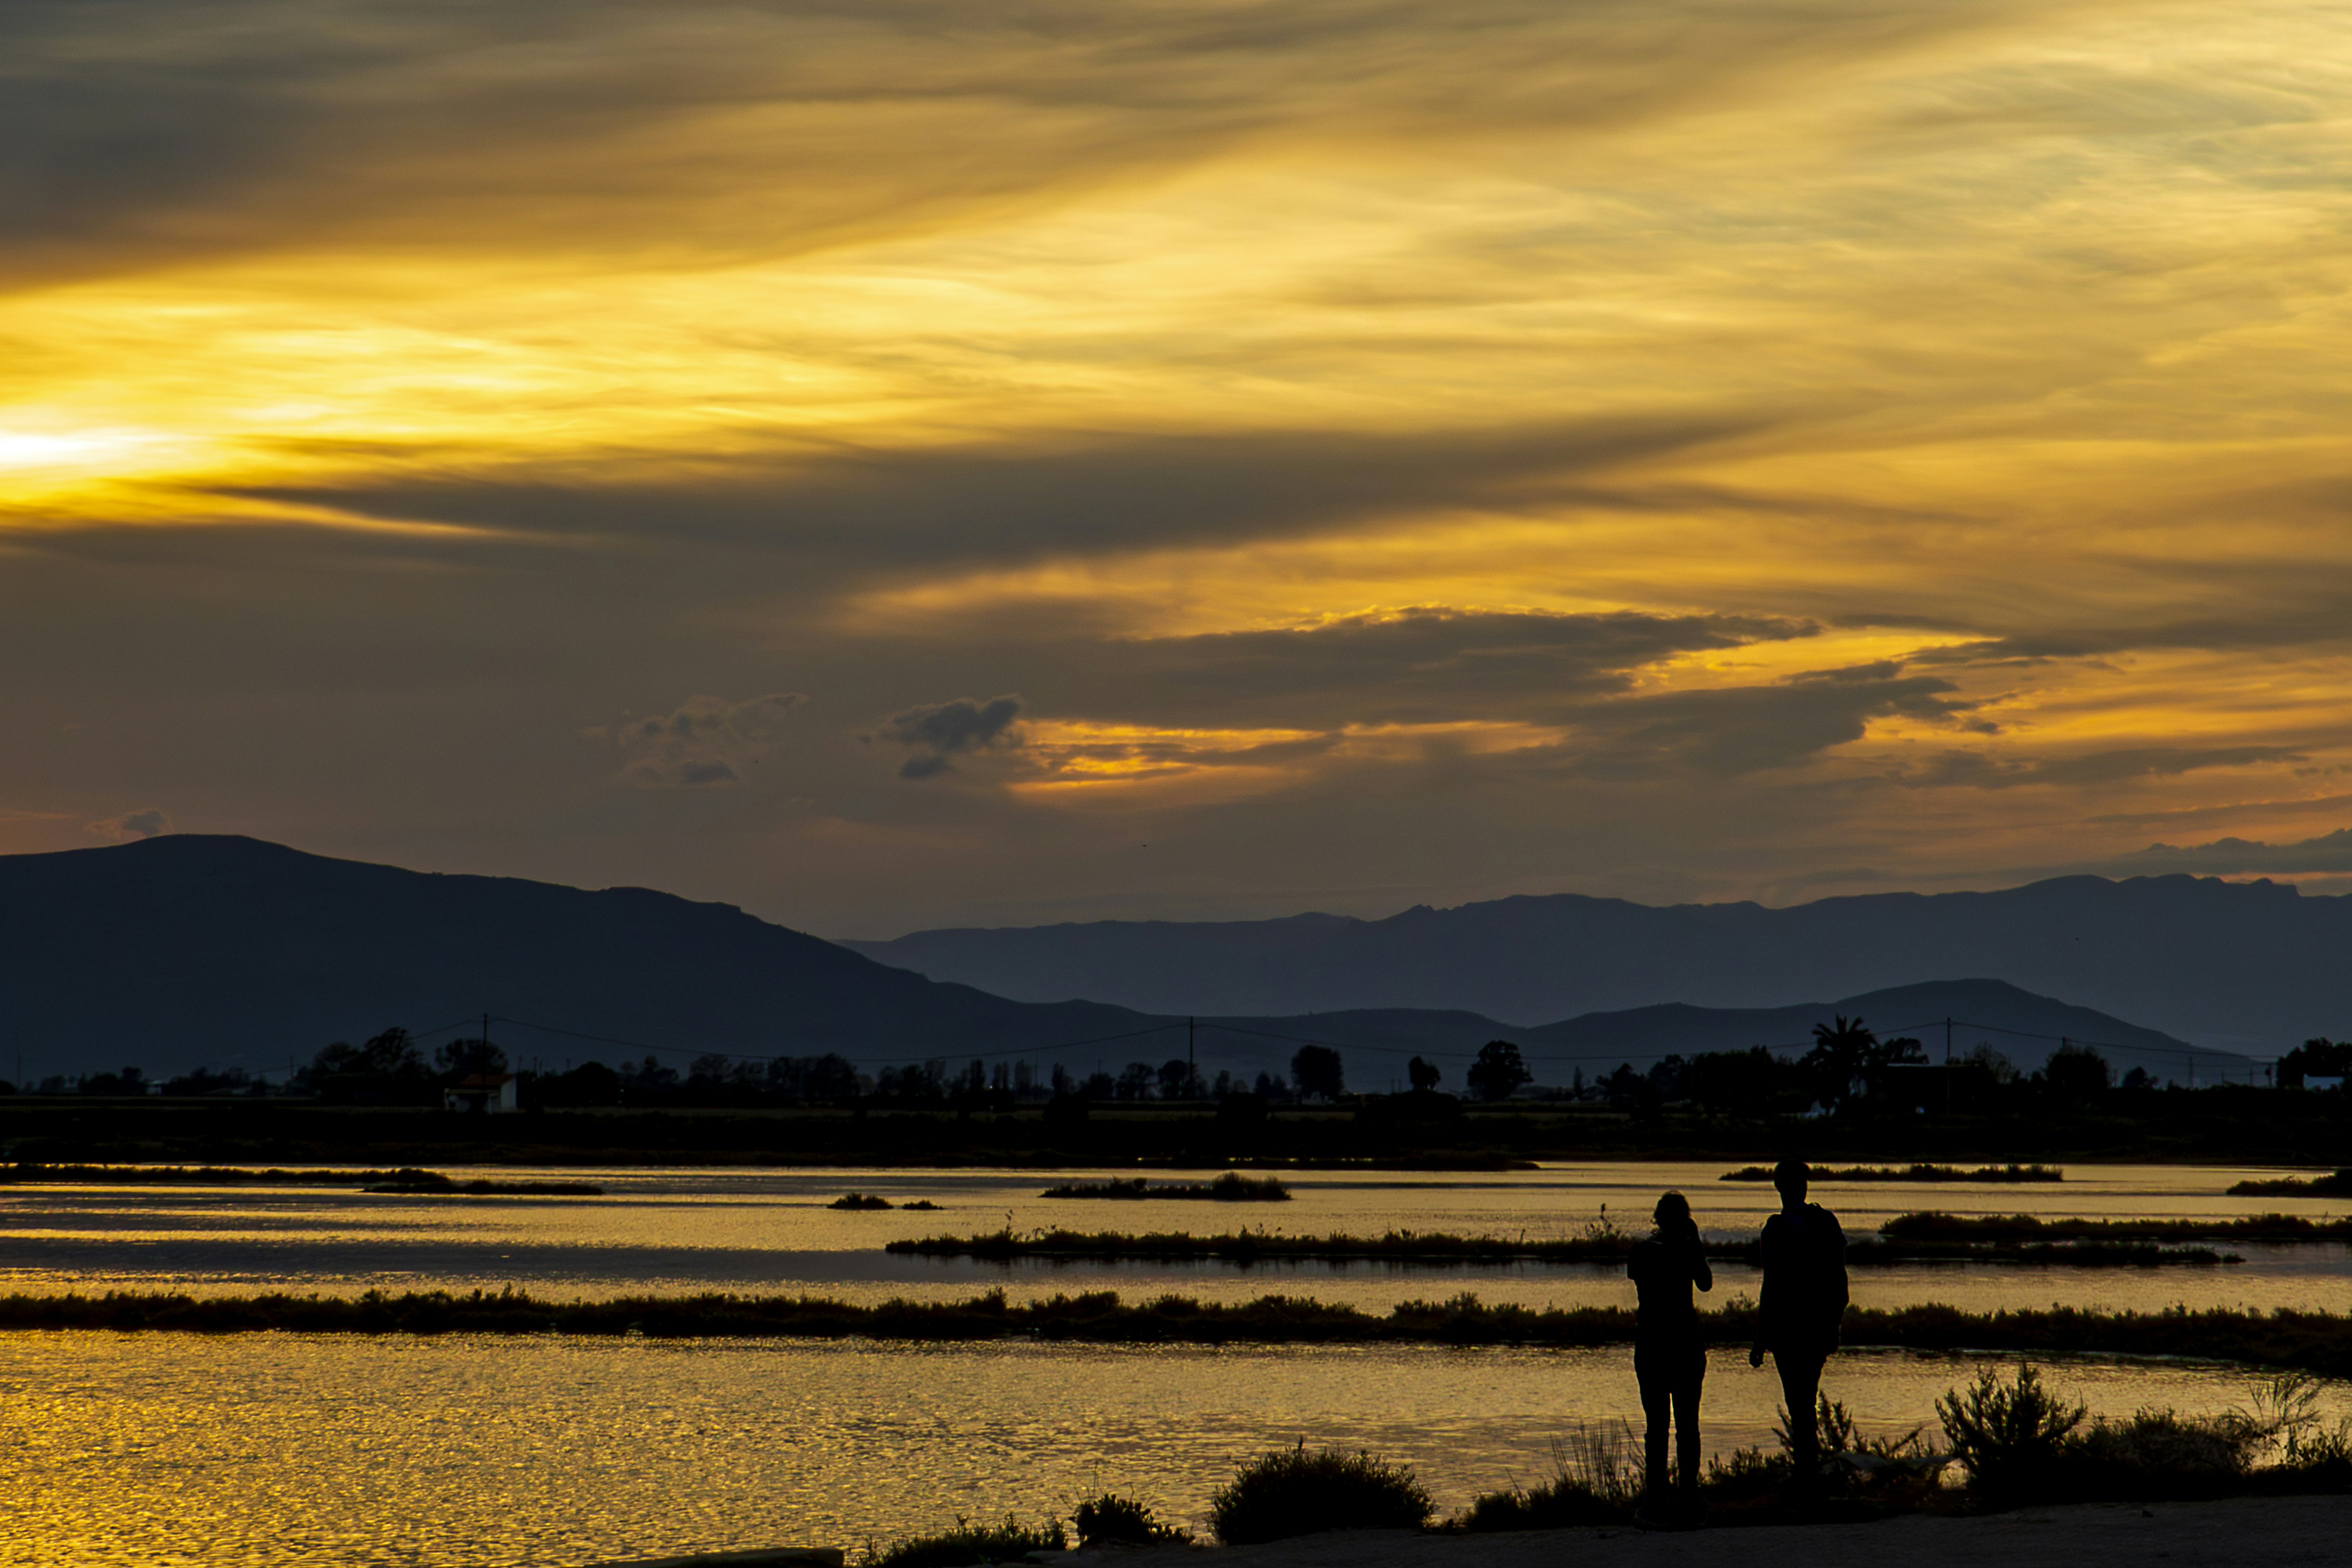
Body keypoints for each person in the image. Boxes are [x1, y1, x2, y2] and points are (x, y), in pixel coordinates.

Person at [1749, 1158, 1848, 1494]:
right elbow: (1840, 1282)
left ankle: (1806, 1474)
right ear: (1805, 1186)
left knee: (1799, 1401)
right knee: (1806, 1399)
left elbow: (1771, 1287)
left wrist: (1761, 1338)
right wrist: (1833, 1324)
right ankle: (1810, 1471)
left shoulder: (1775, 1231)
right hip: (1818, 1329)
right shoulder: (1826, 1223)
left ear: (1779, 1188)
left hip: (1789, 1331)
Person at [1627, 1189, 1712, 1523]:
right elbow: (1705, 1283)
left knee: (1657, 1426)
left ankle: (1656, 1498)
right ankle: (1688, 1496)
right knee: (1687, 1426)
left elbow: (1640, 1273)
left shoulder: (1641, 1252)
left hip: (1652, 1344)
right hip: (1685, 1344)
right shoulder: (1687, 1251)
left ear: (1658, 1219)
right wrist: (1694, 1242)